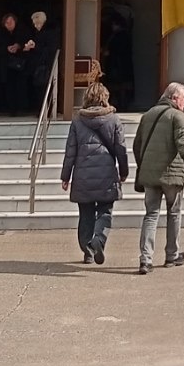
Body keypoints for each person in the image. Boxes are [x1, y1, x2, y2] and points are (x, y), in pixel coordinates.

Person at [133, 81, 184, 275]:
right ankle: (172, 255)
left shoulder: (147, 116)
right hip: (172, 175)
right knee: (174, 213)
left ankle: (145, 259)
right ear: (173, 98)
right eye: (183, 97)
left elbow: (137, 146)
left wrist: (144, 166)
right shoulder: (177, 117)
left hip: (150, 175)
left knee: (151, 215)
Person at [61, 81, 130, 263]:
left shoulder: (77, 120)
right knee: (105, 212)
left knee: (86, 214)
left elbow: (71, 151)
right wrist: (123, 171)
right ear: (105, 98)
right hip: (106, 174)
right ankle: (98, 239)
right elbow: (120, 149)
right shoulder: (114, 119)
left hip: (83, 175)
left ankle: (88, 252)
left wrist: (65, 176)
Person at [24, 9, 59, 110]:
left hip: (45, 65)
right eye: (34, 24)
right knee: (39, 89)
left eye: (37, 23)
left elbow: (49, 49)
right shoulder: (43, 32)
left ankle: (45, 111)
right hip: (40, 64)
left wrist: (35, 46)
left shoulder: (49, 32)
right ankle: (43, 110)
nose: (35, 26)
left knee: (43, 88)